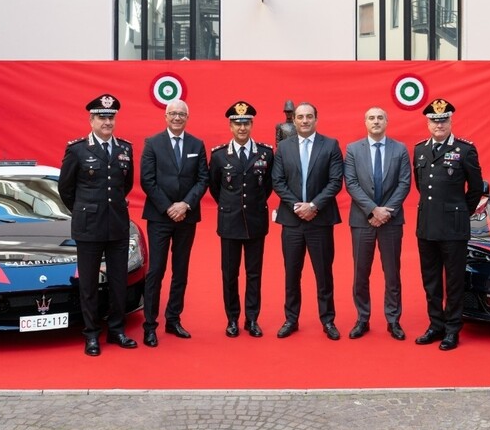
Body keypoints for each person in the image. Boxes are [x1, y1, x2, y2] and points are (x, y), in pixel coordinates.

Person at [58, 94, 138, 356]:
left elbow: (125, 185)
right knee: (89, 284)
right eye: (102, 117)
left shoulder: (125, 149)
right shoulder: (77, 150)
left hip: (117, 225)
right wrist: (84, 211)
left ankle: (116, 330)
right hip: (89, 227)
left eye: (111, 117)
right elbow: (66, 189)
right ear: (91, 120)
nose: (107, 122)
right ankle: (91, 334)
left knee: (118, 282)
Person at [412, 98, 482, 351]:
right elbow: (421, 186)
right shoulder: (420, 150)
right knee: (430, 280)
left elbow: (476, 188)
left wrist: (461, 212)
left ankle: (452, 329)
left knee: (453, 280)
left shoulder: (465, 150)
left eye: (443, 120)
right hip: (427, 225)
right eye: (434, 121)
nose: (438, 125)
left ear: (451, 121)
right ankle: (436, 325)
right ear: (427, 123)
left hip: (454, 227)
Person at [271, 102, 344, 340]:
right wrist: (297, 206)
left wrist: (313, 206)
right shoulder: (283, 147)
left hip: (320, 220)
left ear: (316, 119)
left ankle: (328, 320)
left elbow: (335, 181)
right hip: (292, 221)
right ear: (294, 120)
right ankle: (291, 319)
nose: (304, 121)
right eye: (300, 117)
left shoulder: (330, 145)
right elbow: (278, 181)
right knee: (292, 273)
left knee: (323, 274)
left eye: (309, 116)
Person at [140, 99, 209, 346]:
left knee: (181, 270)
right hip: (160, 216)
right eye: (173, 113)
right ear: (166, 116)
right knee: (156, 271)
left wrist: (185, 204)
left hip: (186, 216)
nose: (177, 117)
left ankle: (173, 319)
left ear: (187, 117)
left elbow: (203, 179)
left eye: (181, 114)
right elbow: (147, 180)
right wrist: (169, 207)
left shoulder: (196, 144)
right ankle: (150, 325)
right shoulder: (152, 143)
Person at [343, 107, 412, 341]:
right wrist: (373, 210)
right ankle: (362, 318)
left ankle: (393, 320)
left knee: (392, 273)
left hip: (391, 221)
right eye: (371, 118)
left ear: (386, 122)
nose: (376, 121)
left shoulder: (400, 149)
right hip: (362, 220)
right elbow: (351, 183)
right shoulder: (353, 149)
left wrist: (385, 212)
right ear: (365, 122)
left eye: (380, 118)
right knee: (361, 273)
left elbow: (404, 184)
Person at [208, 101, 273, 338]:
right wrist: (231, 205)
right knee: (230, 274)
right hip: (230, 222)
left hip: (255, 222)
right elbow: (215, 187)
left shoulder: (265, 153)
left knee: (254, 273)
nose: (242, 128)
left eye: (246, 123)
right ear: (230, 126)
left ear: (252, 124)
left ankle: (252, 319)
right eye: (237, 123)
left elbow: (267, 186)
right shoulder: (219, 155)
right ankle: (232, 319)